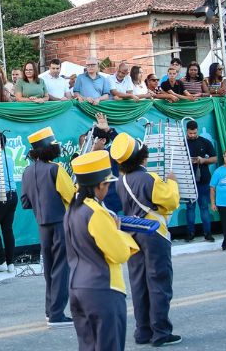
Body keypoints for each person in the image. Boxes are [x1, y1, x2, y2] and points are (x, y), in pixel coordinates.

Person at [111, 133, 181, 348]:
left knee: (138, 282)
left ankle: (142, 331)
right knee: (159, 281)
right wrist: (173, 183)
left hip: (132, 234)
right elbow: (171, 201)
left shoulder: (120, 181)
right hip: (153, 233)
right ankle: (161, 332)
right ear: (142, 157)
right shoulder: (148, 177)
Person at [66, 150, 139, 351]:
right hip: (102, 289)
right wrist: (120, 233)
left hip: (77, 287)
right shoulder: (97, 212)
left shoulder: (73, 208)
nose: (107, 189)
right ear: (99, 185)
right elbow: (119, 254)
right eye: (107, 185)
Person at [21, 126, 76, 327]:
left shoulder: (27, 171)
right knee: (61, 269)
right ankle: (56, 314)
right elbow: (71, 197)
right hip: (60, 222)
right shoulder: (56, 169)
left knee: (49, 268)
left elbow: (25, 202)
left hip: (41, 224)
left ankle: (49, 310)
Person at [0, 132, 18, 273]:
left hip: (0, 197)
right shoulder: (9, 157)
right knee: (7, 229)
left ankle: (0, 261)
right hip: (13, 195)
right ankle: (10, 263)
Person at [184, 120, 216, 242]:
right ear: (187, 131)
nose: (192, 135)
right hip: (188, 181)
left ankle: (207, 233)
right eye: (190, 133)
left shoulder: (205, 142)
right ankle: (190, 233)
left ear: (197, 130)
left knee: (204, 207)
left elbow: (215, 158)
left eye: (194, 133)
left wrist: (203, 160)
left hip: (203, 180)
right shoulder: (183, 143)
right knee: (190, 207)